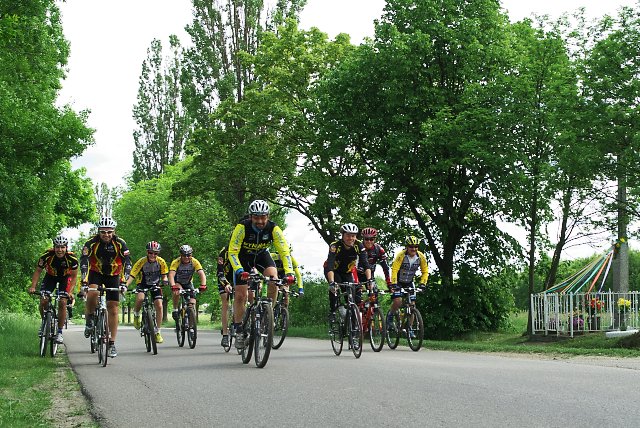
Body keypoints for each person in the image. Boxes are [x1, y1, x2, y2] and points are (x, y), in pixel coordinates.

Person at [228, 199, 295, 349]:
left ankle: (267, 313)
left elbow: (284, 251)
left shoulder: (273, 228)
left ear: (268, 216)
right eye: (256, 217)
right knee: (240, 295)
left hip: (261, 256)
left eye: (263, 217)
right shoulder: (242, 227)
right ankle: (239, 330)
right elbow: (232, 251)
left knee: (274, 279)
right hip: (242, 259)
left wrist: (290, 272)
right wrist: (239, 270)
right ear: (251, 216)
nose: (260, 221)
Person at [80, 217, 132, 358]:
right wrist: (84, 282)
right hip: (95, 272)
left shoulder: (120, 243)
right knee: (93, 293)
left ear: (113, 231)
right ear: (98, 231)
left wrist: (124, 282)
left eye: (109, 232)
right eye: (103, 232)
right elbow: (84, 262)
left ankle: (112, 343)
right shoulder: (91, 243)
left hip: (114, 275)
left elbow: (128, 263)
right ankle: (90, 318)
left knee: (113, 307)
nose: (106, 235)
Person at [29, 235, 79, 344]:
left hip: (65, 278)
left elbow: (74, 277)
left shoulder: (72, 259)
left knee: (62, 302)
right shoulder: (46, 256)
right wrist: (33, 286)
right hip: (50, 277)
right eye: (57, 247)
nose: (60, 250)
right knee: (43, 300)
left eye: (62, 247)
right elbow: (38, 271)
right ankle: (44, 322)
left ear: (66, 248)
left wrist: (70, 292)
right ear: (54, 247)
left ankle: (59, 332)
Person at [324, 223, 372, 322]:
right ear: (342, 235)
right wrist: (332, 282)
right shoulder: (335, 246)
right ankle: (332, 311)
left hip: (347, 272)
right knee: (335, 288)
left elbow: (366, 264)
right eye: (348, 235)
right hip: (333, 271)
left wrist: (369, 280)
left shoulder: (359, 245)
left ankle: (351, 325)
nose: (350, 238)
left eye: (353, 236)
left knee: (351, 298)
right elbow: (330, 266)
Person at [125, 241, 169, 343]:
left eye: (155, 253)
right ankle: (136, 315)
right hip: (142, 284)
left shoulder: (161, 262)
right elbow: (132, 275)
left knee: (159, 305)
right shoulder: (141, 261)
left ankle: (158, 331)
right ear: (147, 252)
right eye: (150, 253)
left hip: (155, 285)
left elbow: (164, 274)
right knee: (140, 299)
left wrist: (165, 280)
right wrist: (126, 285)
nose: (153, 255)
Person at [387, 235, 429, 328]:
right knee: (398, 301)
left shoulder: (421, 257)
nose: (413, 249)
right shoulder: (401, 255)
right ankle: (390, 316)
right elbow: (394, 269)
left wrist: (423, 283)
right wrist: (394, 283)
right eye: (411, 246)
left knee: (412, 305)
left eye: (416, 246)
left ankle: (409, 328)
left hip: (409, 282)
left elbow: (425, 271)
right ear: (407, 247)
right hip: (398, 281)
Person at [168, 244, 207, 324]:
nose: (186, 257)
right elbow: (171, 275)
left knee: (192, 303)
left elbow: (201, 273)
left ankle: (191, 325)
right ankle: (175, 309)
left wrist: (203, 285)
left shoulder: (194, 261)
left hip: (188, 283)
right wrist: (173, 286)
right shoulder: (176, 262)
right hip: (177, 282)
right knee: (177, 291)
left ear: (191, 255)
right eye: (184, 255)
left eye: (188, 255)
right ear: (180, 255)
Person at [216, 246, 233, 348]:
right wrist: (226, 283)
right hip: (225, 277)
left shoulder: (246, 249)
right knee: (226, 302)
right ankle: (225, 334)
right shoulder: (223, 252)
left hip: (239, 277)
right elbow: (220, 271)